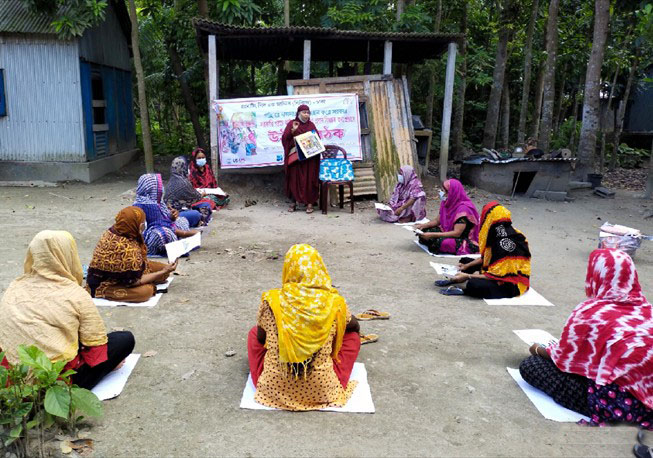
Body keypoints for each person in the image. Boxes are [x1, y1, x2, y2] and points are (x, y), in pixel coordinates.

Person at [519, 249, 653, 430]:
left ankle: (607, 408)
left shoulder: (590, 313)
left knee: (532, 366)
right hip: (648, 399)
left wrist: (538, 349)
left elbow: (561, 360)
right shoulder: (647, 310)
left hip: (619, 406)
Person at [0, 230, 135, 390]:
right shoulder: (75, 294)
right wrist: (110, 361)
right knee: (124, 340)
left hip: (14, 378)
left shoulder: (15, 286)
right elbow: (95, 348)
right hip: (54, 381)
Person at [247, 244, 361, 410]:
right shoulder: (334, 302)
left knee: (253, 333)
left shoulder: (271, 300)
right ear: (319, 268)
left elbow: (260, 339)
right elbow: (354, 326)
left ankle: (279, 377)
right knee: (352, 337)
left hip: (272, 390)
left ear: (288, 269)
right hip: (323, 391)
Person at [438, 201, 530, 298]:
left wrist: (468, 276)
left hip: (511, 281)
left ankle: (465, 288)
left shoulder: (503, 244)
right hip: (498, 269)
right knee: (466, 261)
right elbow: (486, 258)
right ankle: (456, 277)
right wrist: (466, 267)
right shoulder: (498, 233)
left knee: (475, 285)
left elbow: (498, 275)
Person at [86, 206, 177, 303]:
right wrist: (161, 272)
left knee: (164, 271)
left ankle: (151, 276)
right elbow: (135, 281)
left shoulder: (123, 230)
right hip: (105, 282)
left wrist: (164, 271)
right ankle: (105, 292)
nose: (143, 226)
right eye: (142, 223)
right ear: (135, 224)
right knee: (146, 291)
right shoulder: (126, 248)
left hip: (128, 271)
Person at [134, 173, 199, 256]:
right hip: (151, 233)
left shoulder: (155, 201)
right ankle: (174, 244)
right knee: (163, 234)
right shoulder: (146, 205)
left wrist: (171, 216)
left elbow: (165, 218)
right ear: (151, 189)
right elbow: (158, 224)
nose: (161, 188)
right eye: (159, 187)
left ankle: (176, 240)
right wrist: (183, 233)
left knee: (182, 220)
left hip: (168, 226)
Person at [416, 178, 479, 254]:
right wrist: (424, 225)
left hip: (461, 237)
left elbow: (457, 233)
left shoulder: (463, 209)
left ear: (452, 193)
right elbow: (437, 221)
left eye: (444, 191)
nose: (441, 193)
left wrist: (433, 235)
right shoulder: (446, 202)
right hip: (447, 231)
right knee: (424, 232)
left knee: (441, 243)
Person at [281, 105, 320, 214]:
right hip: (296, 158)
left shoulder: (311, 125)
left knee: (309, 179)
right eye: (304, 112)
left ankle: (310, 203)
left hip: (309, 159)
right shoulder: (292, 123)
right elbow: (285, 139)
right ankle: (294, 202)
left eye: (308, 112)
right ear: (298, 113)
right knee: (294, 179)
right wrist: (292, 131)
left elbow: (317, 139)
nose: (306, 115)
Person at [164, 156, 214, 226]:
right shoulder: (183, 182)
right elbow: (197, 197)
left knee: (205, 205)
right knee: (196, 214)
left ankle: (198, 220)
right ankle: (199, 221)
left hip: (181, 208)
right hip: (176, 214)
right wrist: (202, 194)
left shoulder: (171, 180)